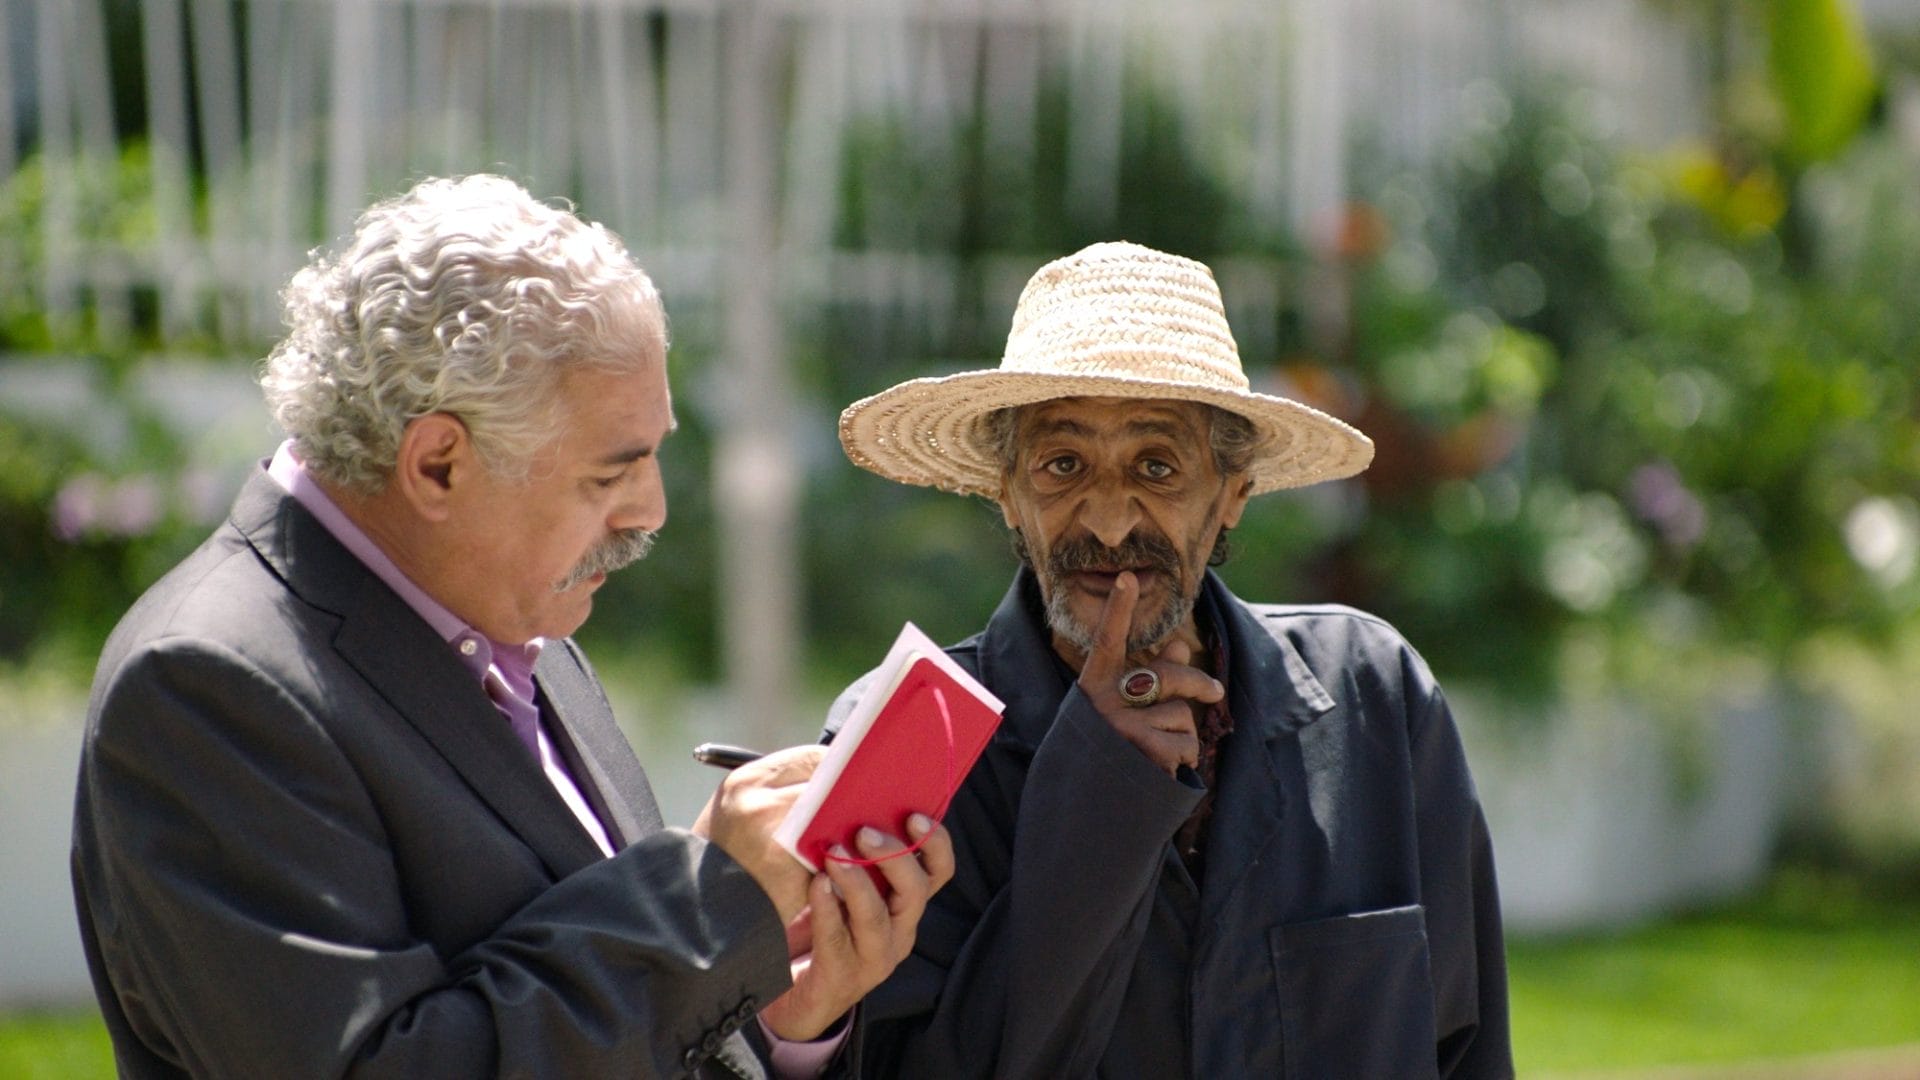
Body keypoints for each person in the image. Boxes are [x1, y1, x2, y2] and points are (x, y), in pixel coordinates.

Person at [70, 174, 952, 1080]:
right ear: (439, 463)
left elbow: (621, 1017)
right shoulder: (207, 683)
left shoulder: (515, 626)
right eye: (610, 475)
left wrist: (778, 1020)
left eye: (656, 454)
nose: (648, 512)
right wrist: (709, 907)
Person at [830, 241, 1512, 1077]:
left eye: (1157, 466)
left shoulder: (1374, 695)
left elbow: (1464, 1047)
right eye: (1062, 465)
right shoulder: (911, 741)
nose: (1111, 524)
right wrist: (1093, 796)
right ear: (1006, 494)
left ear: (1231, 497)